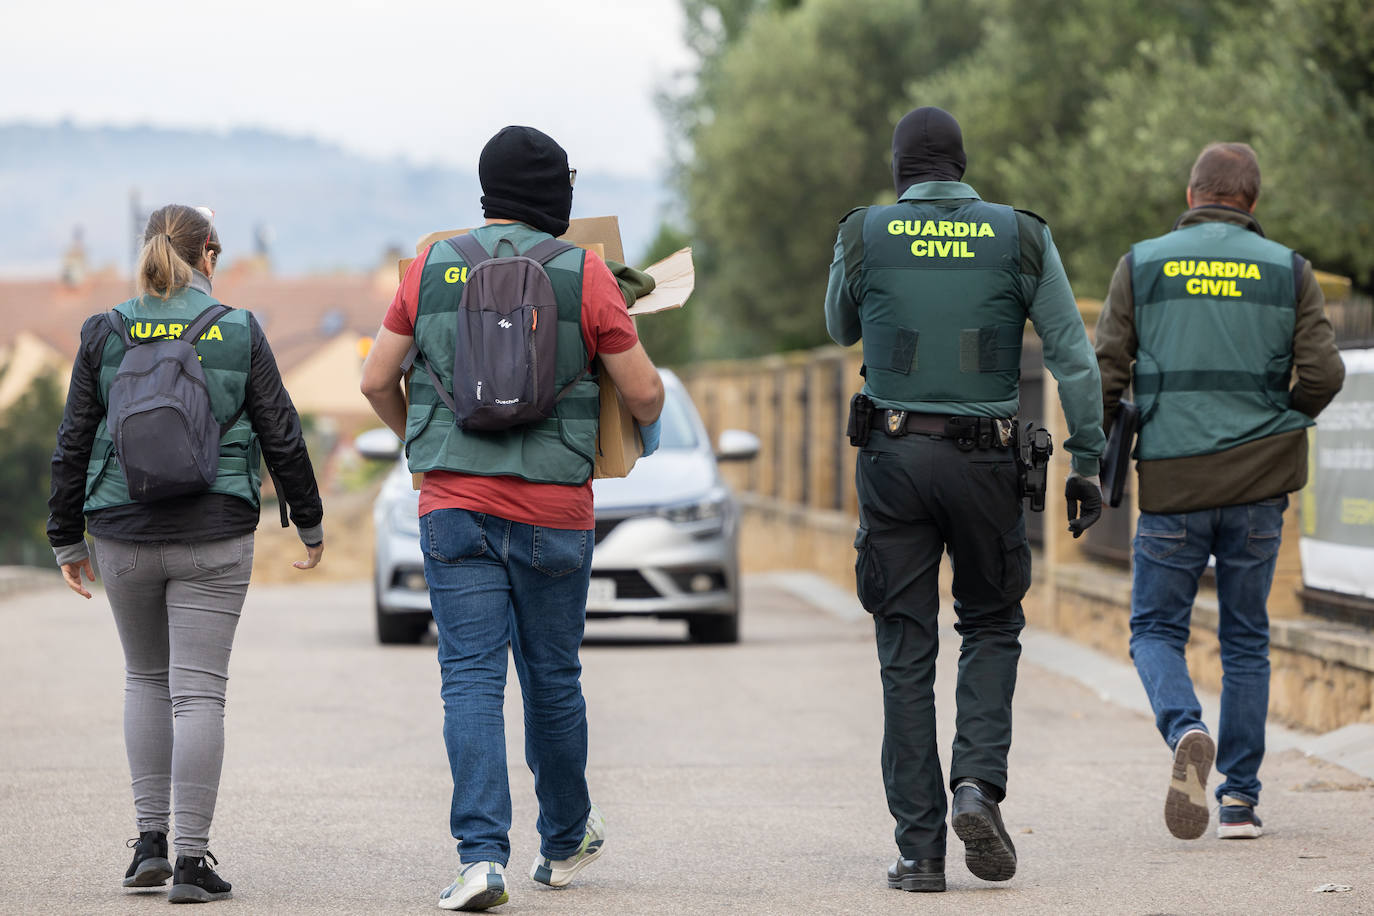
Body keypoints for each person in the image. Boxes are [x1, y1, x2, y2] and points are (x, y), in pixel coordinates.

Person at [360, 125, 665, 912]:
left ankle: (480, 861)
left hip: (452, 504)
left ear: (489, 188)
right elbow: (646, 396)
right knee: (552, 677)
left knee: (469, 678)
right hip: (554, 511)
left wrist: (422, 443)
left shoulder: (430, 265)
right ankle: (563, 842)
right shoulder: (585, 273)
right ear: (553, 193)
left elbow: (374, 379)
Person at [825, 106, 1105, 892]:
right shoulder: (1020, 235)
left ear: (899, 170)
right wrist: (1088, 458)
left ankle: (920, 854)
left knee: (905, 650)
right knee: (990, 621)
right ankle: (976, 786)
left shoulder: (863, 232)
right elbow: (1073, 358)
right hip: (987, 465)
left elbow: (838, 324)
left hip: (893, 458)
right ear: (962, 165)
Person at [48, 204, 325, 902]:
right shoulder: (237, 327)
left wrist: (64, 536)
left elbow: (74, 438)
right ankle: (193, 864)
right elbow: (282, 432)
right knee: (197, 691)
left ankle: (149, 843)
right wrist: (310, 523)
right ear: (207, 256)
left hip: (122, 529)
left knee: (144, 678)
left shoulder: (104, 329)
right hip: (216, 528)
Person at [1095, 142, 1344, 841]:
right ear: (1252, 202)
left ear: (1190, 194)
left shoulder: (1141, 265)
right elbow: (1324, 373)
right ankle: (1239, 800)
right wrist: (1281, 420)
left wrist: (1102, 450)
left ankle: (1185, 726)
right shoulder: (1290, 270)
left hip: (1173, 485)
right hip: (1262, 487)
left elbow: (1106, 372)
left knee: (1154, 629)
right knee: (1245, 639)